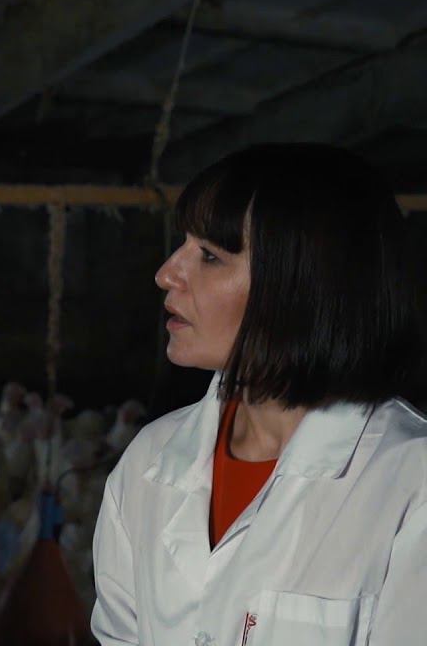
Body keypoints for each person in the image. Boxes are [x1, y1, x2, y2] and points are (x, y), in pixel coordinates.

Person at [91, 144, 426, 646]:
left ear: (304, 287)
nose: (166, 274)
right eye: (184, 244)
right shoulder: (148, 464)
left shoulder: (411, 484)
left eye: (210, 256)